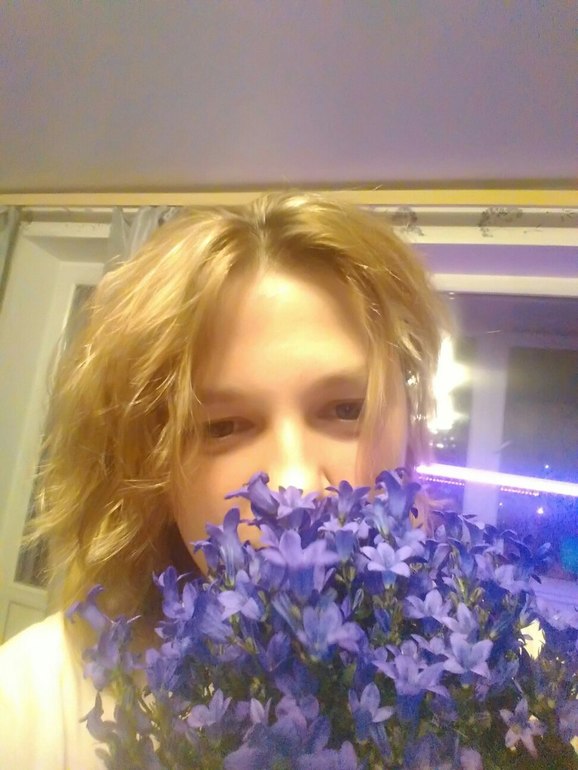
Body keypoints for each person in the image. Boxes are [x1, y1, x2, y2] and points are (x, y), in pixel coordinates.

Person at [0, 190, 446, 768]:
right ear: (148, 467)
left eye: (346, 410)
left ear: (408, 429)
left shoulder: (517, 691)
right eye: (223, 426)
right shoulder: (27, 707)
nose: (294, 487)